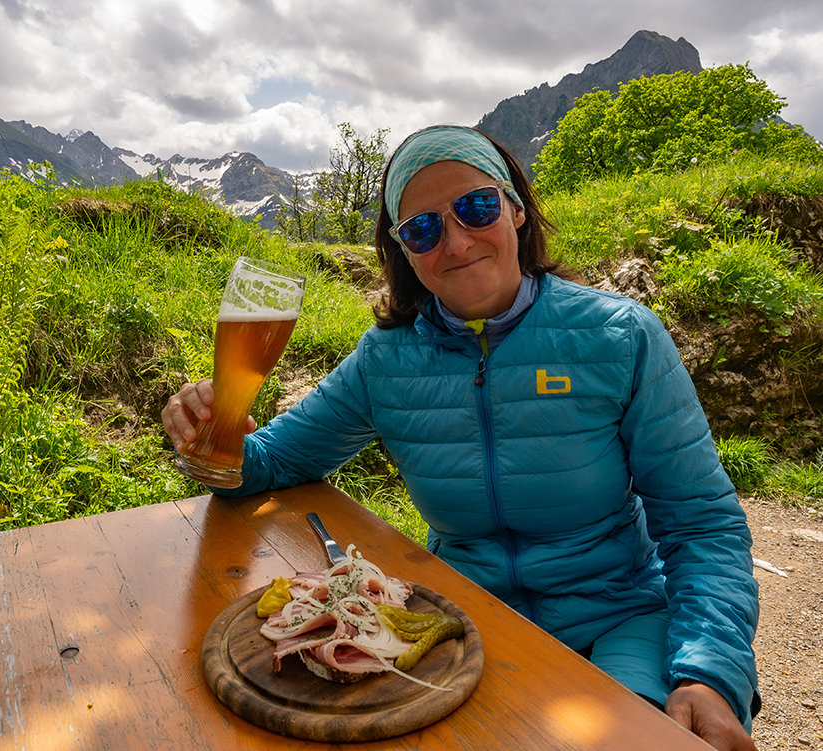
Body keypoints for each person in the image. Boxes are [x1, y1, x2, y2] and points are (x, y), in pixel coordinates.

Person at [162, 124, 760, 751]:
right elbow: (271, 461)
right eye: (423, 229)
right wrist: (214, 441)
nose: (455, 241)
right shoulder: (386, 361)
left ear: (517, 210)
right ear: (405, 252)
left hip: (623, 616)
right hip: (465, 623)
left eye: (476, 207)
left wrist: (709, 672)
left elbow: (700, 524)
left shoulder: (620, 337)